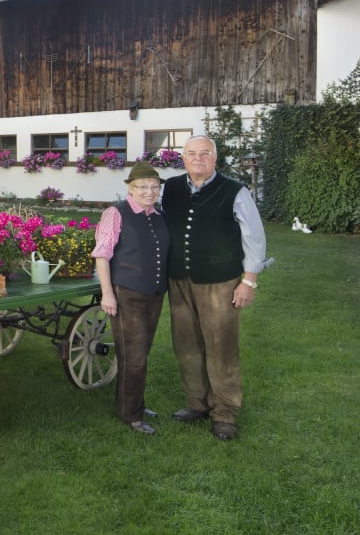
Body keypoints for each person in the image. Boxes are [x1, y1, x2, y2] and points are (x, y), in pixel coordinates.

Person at [162, 135, 267, 441]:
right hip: (180, 280)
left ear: (215, 159)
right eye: (192, 153)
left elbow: (254, 239)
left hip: (220, 281)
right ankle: (196, 403)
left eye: (204, 153)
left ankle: (225, 412)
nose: (198, 158)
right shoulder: (169, 188)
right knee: (187, 346)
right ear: (183, 159)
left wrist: (248, 281)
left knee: (221, 348)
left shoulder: (235, 191)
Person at [94, 161, 170, 435]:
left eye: (154, 186)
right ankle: (131, 414)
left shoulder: (157, 215)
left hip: (154, 293)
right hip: (127, 294)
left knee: (140, 354)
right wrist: (107, 294)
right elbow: (102, 254)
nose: (149, 191)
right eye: (142, 186)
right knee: (134, 357)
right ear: (130, 187)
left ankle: (132, 402)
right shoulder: (116, 213)